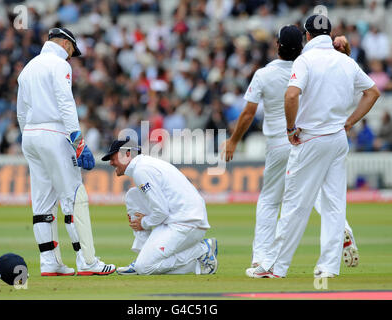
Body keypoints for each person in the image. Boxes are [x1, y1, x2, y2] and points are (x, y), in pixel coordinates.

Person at [246, 15, 380, 278]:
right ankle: (328, 269)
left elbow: (291, 94)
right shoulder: (345, 60)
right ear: (328, 34)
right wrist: (350, 122)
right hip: (337, 139)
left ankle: (275, 266)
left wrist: (289, 128)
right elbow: (373, 92)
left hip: (311, 139)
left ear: (307, 35)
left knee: (295, 204)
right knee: (333, 205)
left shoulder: (305, 60)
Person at [222, 25, 359, 271]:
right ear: (303, 44)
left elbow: (247, 115)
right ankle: (342, 228)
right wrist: (344, 51)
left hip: (280, 141)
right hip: (309, 137)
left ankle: (262, 258)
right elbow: (341, 72)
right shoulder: (312, 64)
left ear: (277, 45)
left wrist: (233, 141)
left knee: (270, 201)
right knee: (319, 194)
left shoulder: (264, 74)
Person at [17, 27, 115, 276]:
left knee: (42, 202)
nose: (71, 55)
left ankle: (50, 263)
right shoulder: (60, 65)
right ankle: (87, 261)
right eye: (72, 49)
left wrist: (29, 136)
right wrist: (78, 140)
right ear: (64, 43)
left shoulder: (28, 68)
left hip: (30, 134)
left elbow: (21, 111)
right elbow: (65, 103)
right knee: (73, 197)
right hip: (54, 134)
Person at [101, 137, 217, 275]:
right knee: (132, 196)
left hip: (187, 222)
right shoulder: (144, 164)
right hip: (182, 218)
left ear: (127, 154)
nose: (111, 163)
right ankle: (143, 256)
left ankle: (202, 250)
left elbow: (161, 211)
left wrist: (143, 223)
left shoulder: (141, 170)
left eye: (113, 158)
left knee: (144, 268)